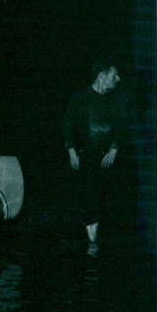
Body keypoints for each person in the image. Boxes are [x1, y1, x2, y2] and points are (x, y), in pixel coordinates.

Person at [63, 56, 124, 252]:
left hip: (107, 158)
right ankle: (89, 243)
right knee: (87, 197)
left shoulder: (114, 101)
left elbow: (120, 127)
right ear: (101, 76)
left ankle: (97, 241)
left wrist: (114, 148)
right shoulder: (79, 98)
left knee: (103, 199)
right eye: (114, 75)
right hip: (83, 156)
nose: (118, 79)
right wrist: (71, 151)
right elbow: (68, 125)